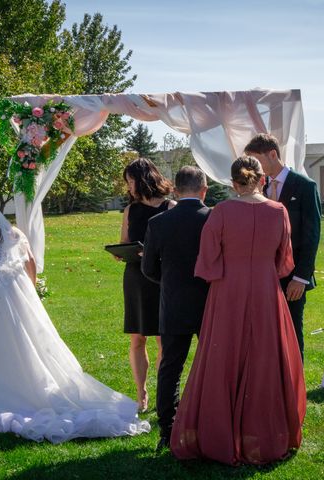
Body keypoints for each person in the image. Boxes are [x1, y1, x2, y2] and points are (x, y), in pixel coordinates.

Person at [0, 199, 150, 443]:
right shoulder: (14, 234)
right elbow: (30, 264)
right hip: (16, 298)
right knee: (27, 343)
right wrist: (28, 293)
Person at [170, 156, 306, 465]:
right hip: (265, 291)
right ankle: (265, 432)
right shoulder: (279, 211)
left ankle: (220, 434)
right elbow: (284, 260)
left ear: (233, 183)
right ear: (261, 179)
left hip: (228, 291)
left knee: (224, 356)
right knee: (265, 358)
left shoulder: (221, 212)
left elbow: (207, 259)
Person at [141, 166, 211, 453]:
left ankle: (168, 428)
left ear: (175, 191)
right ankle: (214, 420)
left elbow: (148, 268)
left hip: (173, 302)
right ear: (204, 190)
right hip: (210, 302)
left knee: (170, 366)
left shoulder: (158, 223)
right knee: (216, 362)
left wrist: (168, 280)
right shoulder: (214, 217)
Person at [245, 133, 321, 360]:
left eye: (256, 160)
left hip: (293, 277)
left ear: (273, 154)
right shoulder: (258, 189)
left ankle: (295, 386)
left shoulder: (305, 186)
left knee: (292, 330)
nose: (253, 167)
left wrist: (301, 277)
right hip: (263, 275)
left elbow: (312, 235)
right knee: (265, 332)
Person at [120, 158, 175, 411]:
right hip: (136, 278)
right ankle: (141, 393)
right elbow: (123, 241)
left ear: (143, 179)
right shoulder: (130, 210)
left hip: (163, 278)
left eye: (131, 181)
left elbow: (179, 245)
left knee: (164, 339)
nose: (129, 187)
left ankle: (164, 390)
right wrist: (121, 251)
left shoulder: (170, 207)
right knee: (137, 337)